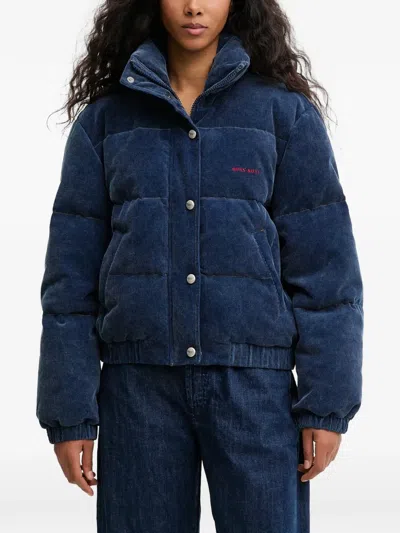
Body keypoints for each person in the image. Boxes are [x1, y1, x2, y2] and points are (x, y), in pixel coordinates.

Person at [36, 1, 364, 532]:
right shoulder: (106, 122)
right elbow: (68, 283)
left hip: (255, 389)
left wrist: (326, 405)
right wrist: (68, 410)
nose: (194, 6)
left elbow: (327, 272)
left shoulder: (283, 116)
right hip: (138, 390)